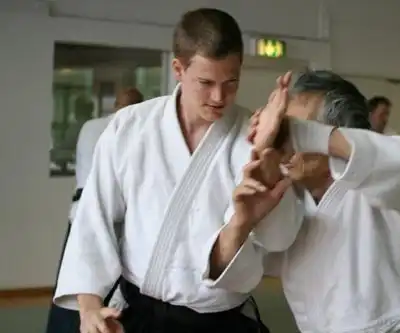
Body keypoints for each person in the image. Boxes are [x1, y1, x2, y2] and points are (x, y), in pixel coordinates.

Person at [54, 8, 303, 333]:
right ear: (178, 69)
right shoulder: (131, 127)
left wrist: (269, 149)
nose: (219, 97)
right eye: (206, 82)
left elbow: (280, 238)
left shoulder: (255, 136)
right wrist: (89, 308)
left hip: (221, 322)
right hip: (141, 315)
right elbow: (94, 219)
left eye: (231, 83)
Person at [256, 70, 400, 333]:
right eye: (283, 131)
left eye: (296, 132)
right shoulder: (287, 193)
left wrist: (306, 134)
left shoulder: (380, 184)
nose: (285, 143)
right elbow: (261, 258)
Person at [45, 88, 144, 333]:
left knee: (80, 289)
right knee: (99, 293)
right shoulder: (129, 130)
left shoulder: (92, 126)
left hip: (85, 215)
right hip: (104, 217)